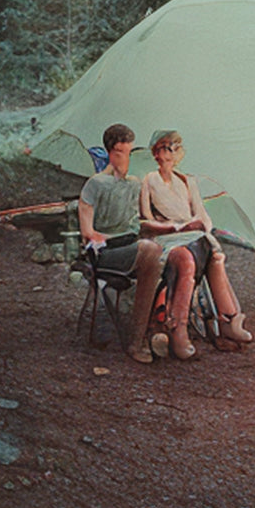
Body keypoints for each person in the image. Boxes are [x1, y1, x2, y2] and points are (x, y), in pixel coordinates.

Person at [139, 129, 252, 359]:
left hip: (193, 235)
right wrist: (175, 227)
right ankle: (177, 328)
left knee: (215, 254)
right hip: (166, 236)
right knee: (186, 260)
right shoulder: (149, 180)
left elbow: (203, 217)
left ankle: (228, 318)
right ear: (155, 153)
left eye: (173, 148)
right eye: (163, 148)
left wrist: (197, 226)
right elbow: (145, 221)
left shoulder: (187, 181)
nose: (168, 153)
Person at [77, 123, 164, 365]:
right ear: (109, 152)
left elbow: (137, 223)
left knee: (171, 253)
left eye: (128, 152)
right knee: (151, 251)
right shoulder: (95, 184)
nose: (124, 159)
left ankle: (162, 328)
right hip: (104, 253)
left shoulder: (135, 183)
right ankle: (137, 341)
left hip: (130, 247)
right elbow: (87, 233)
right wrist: (106, 236)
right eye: (119, 152)